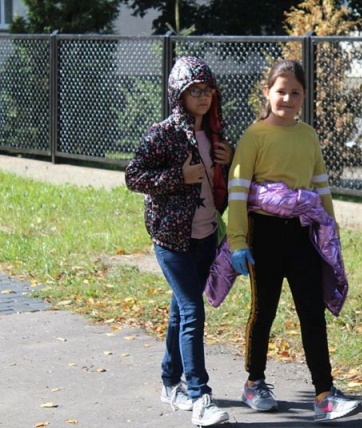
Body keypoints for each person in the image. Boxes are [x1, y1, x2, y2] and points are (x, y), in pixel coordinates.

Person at [226, 59, 361, 423]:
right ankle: (254, 382)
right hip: (263, 234)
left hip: (302, 233)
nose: (287, 99)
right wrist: (238, 241)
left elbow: (320, 186)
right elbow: (238, 191)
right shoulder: (254, 136)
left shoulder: (308, 136)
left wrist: (330, 229)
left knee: (312, 313)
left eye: (295, 92)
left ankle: (324, 394)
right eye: (280, 91)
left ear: (304, 96)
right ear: (267, 92)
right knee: (264, 311)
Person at [125, 56, 233, 426]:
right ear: (178, 95)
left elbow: (223, 182)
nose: (203, 97)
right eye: (194, 91)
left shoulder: (216, 133)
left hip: (206, 235)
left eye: (207, 90)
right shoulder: (163, 134)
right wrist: (177, 176)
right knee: (192, 311)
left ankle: (170, 382)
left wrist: (230, 160)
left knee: (180, 310)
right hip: (171, 239)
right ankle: (201, 397)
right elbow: (133, 176)